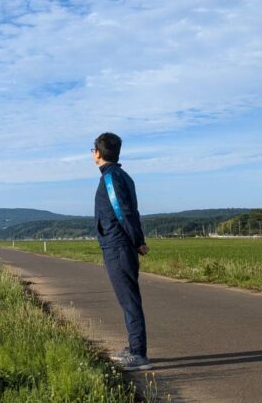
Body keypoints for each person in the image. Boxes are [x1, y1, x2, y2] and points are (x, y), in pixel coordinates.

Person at [92, 132, 152, 371]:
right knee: (128, 299)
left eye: (93, 149)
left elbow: (122, 211)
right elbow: (129, 212)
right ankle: (134, 346)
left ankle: (138, 353)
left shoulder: (111, 178)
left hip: (118, 246)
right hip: (119, 244)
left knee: (129, 300)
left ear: (98, 152)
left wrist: (137, 241)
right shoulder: (120, 175)